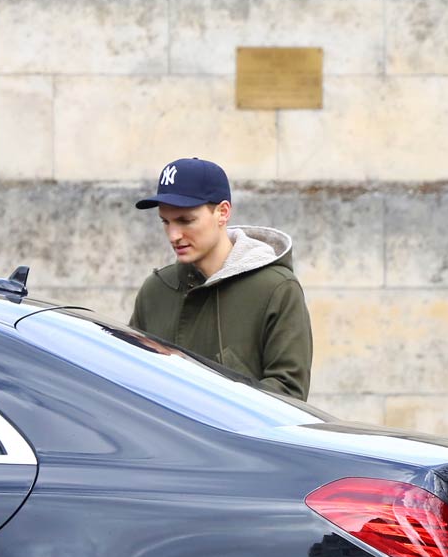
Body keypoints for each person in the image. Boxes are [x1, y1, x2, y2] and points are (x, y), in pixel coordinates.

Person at [131, 157, 313, 400]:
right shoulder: (155, 290)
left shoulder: (276, 288)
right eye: (166, 222)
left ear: (223, 212)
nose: (174, 235)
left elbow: (289, 394)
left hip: (237, 438)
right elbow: (131, 378)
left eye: (186, 220)